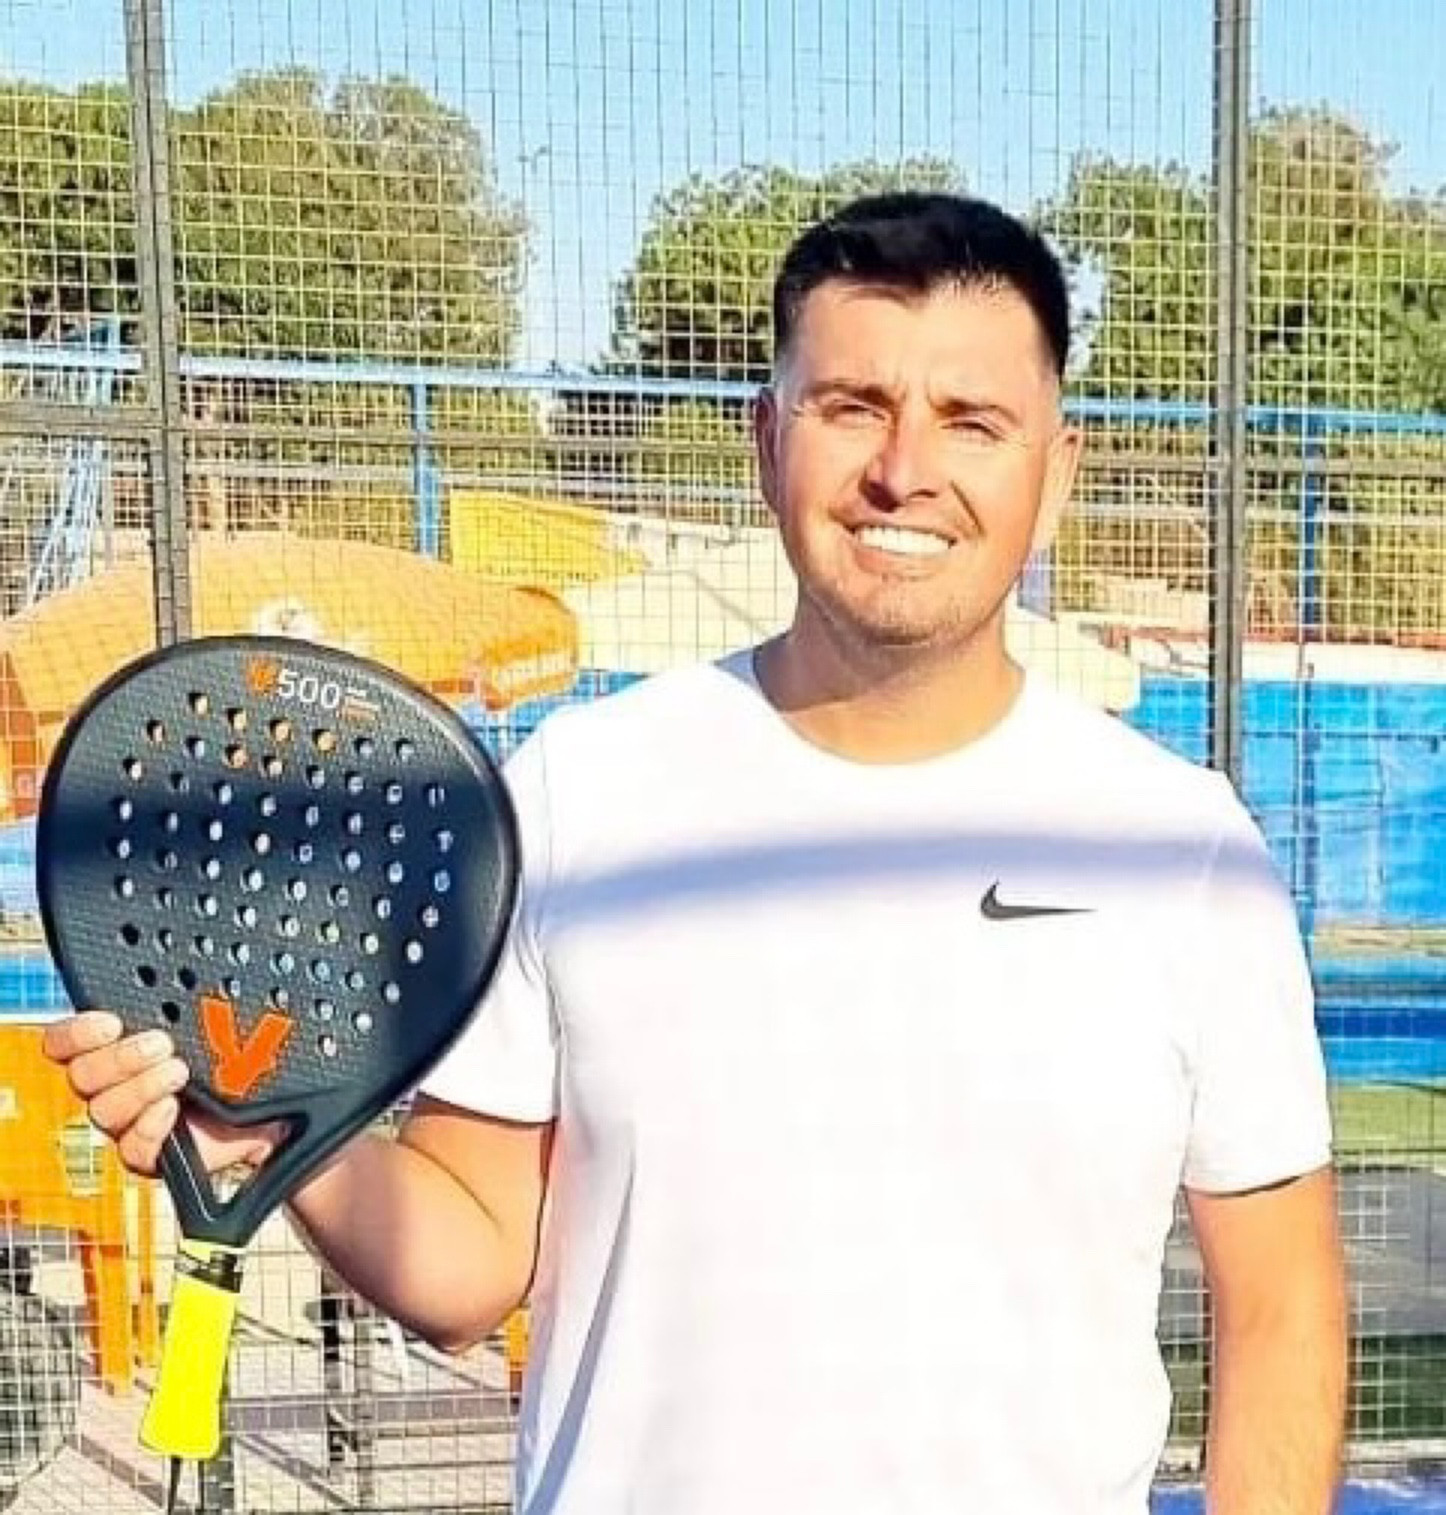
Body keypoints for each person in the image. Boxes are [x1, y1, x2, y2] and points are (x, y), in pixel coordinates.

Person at [44, 192, 1347, 1514]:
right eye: (852, 405)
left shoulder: (1180, 852)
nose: (904, 469)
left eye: (972, 420)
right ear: (767, 439)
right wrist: (276, 1139)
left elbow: (1282, 1309)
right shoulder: (577, 796)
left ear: (1055, 472)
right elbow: (473, 1256)